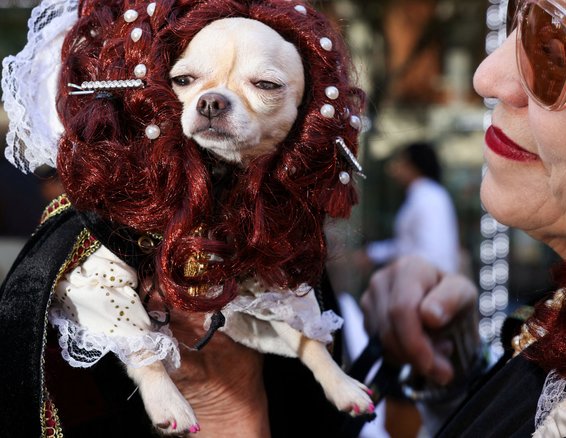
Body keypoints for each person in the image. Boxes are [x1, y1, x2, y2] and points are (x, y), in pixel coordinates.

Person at [0, 0, 369, 436]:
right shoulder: (120, 207)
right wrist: (153, 374)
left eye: (264, 85)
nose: (213, 100)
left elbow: (280, 290)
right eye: (185, 80)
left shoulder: (275, 209)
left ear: (309, 107)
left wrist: (324, 369)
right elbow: (94, 282)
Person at [362, 0, 566, 436]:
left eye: (554, 43)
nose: (487, 77)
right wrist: (460, 374)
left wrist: (232, 406)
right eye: (519, 15)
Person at [365, 142, 460, 273]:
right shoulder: (423, 194)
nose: (394, 170)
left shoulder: (430, 197)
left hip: (427, 285)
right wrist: (373, 253)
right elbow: (406, 244)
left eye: (400, 162)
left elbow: (433, 252)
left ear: (413, 165)